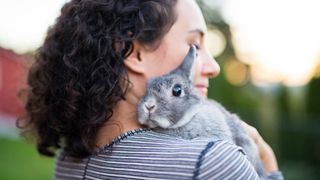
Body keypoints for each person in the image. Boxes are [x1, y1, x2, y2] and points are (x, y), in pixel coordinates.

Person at [18, 0, 283, 179]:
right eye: (194, 45)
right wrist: (268, 162)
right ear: (134, 53)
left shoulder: (69, 162)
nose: (213, 67)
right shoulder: (212, 162)